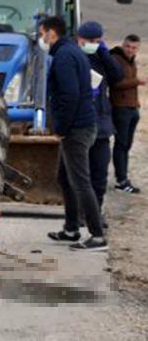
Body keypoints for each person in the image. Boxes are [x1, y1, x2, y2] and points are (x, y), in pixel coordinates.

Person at [41, 16, 106, 251]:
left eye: (42, 33)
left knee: (80, 182)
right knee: (65, 177)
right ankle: (71, 229)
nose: (41, 38)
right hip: (79, 125)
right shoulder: (71, 51)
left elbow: (70, 95)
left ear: (51, 33)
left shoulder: (64, 57)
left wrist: (61, 128)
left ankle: (97, 235)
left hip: (76, 129)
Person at [76, 21, 123, 226]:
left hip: (101, 125)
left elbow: (117, 76)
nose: (93, 44)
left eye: (97, 40)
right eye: (90, 41)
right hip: (79, 125)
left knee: (99, 175)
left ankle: (95, 213)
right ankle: (78, 215)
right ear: (80, 38)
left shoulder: (102, 58)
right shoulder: (72, 56)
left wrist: (103, 52)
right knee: (79, 175)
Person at [110, 34, 144, 194]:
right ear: (123, 45)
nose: (130, 50)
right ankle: (122, 180)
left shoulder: (131, 60)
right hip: (120, 108)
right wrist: (138, 81)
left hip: (132, 108)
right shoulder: (116, 59)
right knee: (121, 145)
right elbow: (115, 84)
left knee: (126, 145)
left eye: (134, 48)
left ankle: (123, 178)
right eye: (128, 47)